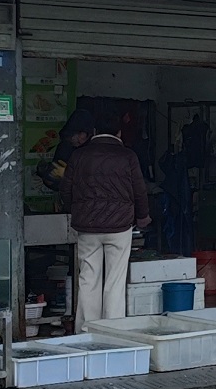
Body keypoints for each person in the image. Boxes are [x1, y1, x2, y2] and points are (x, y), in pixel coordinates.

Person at [61, 123, 152, 327]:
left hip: (87, 227)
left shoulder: (79, 155)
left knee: (88, 278)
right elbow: (139, 190)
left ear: (94, 131)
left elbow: (65, 189)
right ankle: (112, 330)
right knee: (115, 281)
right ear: (118, 132)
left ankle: (86, 330)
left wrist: (76, 210)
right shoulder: (128, 156)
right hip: (119, 226)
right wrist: (143, 216)